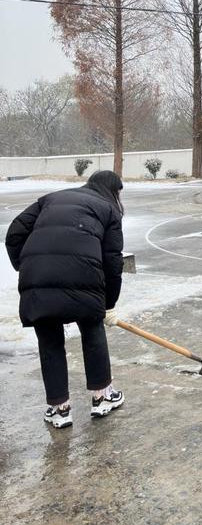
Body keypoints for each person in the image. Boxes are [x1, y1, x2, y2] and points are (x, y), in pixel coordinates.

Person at [5, 170, 126, 428]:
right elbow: (113, 262)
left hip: (37, 279)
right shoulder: (108, 209)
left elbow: (14, 233)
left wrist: (26, 265)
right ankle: (102, 397)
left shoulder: (51, 198)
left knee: (49, 340)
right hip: (83, 275)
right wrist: (108, 304)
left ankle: (59, 409)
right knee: (92, 328)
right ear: (114, 191)